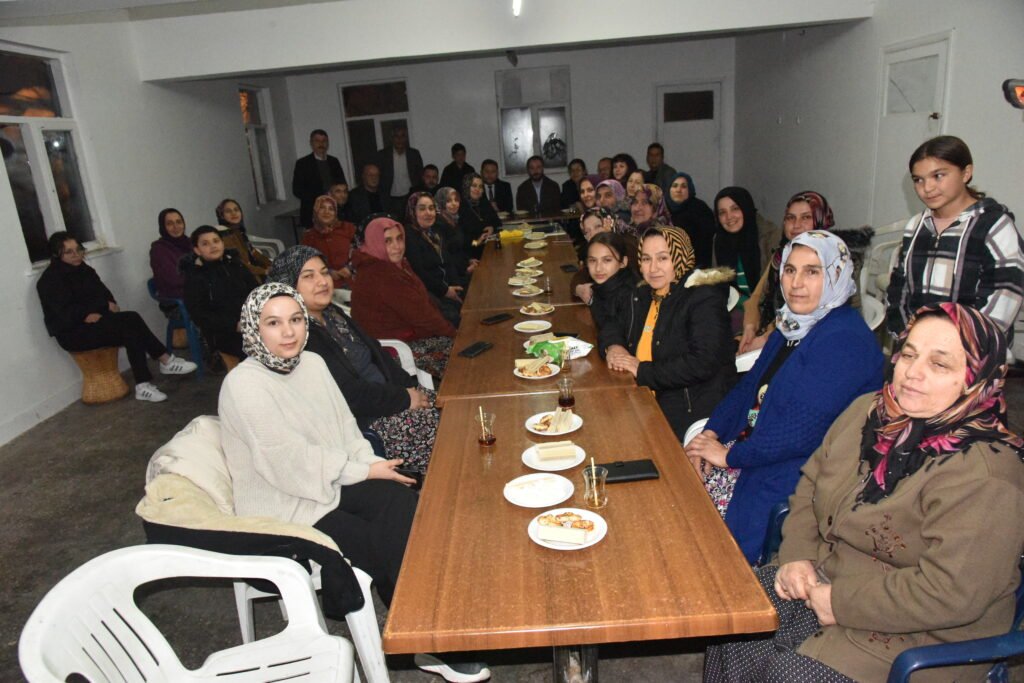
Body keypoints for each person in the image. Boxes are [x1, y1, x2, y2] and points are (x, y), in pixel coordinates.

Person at [704, 303, 1024, 683]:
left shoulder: (988, 475)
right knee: (737, 616)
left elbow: (950, 593)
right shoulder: (869, 413)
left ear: (976, 379)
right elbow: (810, 485)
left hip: (923, 633)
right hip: (827, 575)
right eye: (908, 354)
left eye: (940, 365)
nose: (913, 372)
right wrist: (797, 557)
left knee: (788, 673)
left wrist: (839, 602)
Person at [219, 282, 488, 683]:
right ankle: (424, 637)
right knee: (380, 538)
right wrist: (363, 471)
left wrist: (372, 463)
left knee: (404, 503)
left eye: (295, 319)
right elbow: (288, 463)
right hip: (285, 504)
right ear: (253, 328)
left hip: (328, 481)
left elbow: (346, 429)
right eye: (273, 323)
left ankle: (435, 617)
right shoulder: (244, 384)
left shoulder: (312, 363)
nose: (288, 332)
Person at [686, 231, 884, 563]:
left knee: (695, 537)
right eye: (790, 270)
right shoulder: (793, 325)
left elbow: (800, 431)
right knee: (678, 493)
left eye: (812, 271)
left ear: (836, 274)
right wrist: (711, 434)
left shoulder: (844, 340)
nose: (796, 283)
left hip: (797, 468)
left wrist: (728, 456)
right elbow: (748, 388)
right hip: (755, 447)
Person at [268, 245, 444, 467]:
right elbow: (348, 395)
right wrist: (404, 399)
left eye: (324, 272)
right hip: (364, 422)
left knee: (453, 408)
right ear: (289, 286)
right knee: (447, 434)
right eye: (309, 276)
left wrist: (410, 388)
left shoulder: (332, 314)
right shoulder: (298, 338)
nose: (322, 281)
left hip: (389, 397)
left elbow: (377, 354)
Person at [602, 226, 736, 440]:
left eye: (663, 258)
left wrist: (642, 370)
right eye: (646, 259)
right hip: (644, 398)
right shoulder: (643, 293)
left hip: (689, 411)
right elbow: (612, 321)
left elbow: (703, 362)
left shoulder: (704, 298)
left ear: (680, 257)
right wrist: (614, 346)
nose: (653, 268)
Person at [886, 135, 1024, 342]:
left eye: (938, 176)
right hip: (917, 346)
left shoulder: (994, 225)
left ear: (966, 173)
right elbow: (899, 288)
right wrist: (905, 335)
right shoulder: (916, 226)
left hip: (971, 351)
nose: (927, 188)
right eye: (918, 180)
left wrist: (961, 344)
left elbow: (1006, 294)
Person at [37, 232, 197, 402]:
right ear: (56, 255)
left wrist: (103, 306)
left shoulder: (85, 270)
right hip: (72, 332)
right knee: (130, 321)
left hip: (96, 321)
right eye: (69, 252)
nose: (76, 255)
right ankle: (164, 362)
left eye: (78, 249)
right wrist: (93, 310)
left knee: (131, 328)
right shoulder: (50, 280)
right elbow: (66, 312)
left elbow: (105, 295)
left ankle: (144, 384)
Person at [351, 217, 457, 377]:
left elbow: (422, 302)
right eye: (388, 241)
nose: (397, 246)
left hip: (405, 336)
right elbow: (422, 316)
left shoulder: (390, 264)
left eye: (399, 238)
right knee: (460, 353)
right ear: (375, 243)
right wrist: (454, 333)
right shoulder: (381, 274)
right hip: (393, 351)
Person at [740, 190, 835, 354]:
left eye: (806, 217)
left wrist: (766, 338)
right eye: (791, 218)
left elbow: (809, 314)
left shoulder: (833, 261)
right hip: (774, 332)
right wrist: (749, 328)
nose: (796, 225)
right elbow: (755, 297)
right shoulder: (781, 255)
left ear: (821, 220)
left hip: (812, 342)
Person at [182, 225, 258, 360]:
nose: (213, 246)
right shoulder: (195, 277)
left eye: (216, 241)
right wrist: (234, 325)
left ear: (222, 243)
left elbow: (256, 292)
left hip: (251, 322)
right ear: (197, 250)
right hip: (223, 332)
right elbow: (199, 314)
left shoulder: (236, 265)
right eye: (205, 244)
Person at [403, 192, 464, 328]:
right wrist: (446, 290)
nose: (429, 213)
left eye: (431, 208)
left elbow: (448, 262)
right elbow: (419, 273)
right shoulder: (409, 236)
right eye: (422, 209)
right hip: (432, 295)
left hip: (448, 288)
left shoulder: (434, 232)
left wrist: (457, 286)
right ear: (412, 211)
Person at [712, 186, 762, 311]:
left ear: (746, 208)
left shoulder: (767, 237)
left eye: (735, 209)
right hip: (733, 308)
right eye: (722, 212)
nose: (729, 217)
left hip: (765, 311)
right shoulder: (719, 241)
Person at [586, 231, 641, 339]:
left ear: (623, 262)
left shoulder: (629, 296)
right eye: (592, 261)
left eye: (607, 260)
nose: (598, 268)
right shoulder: (604, 286)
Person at [292, 129, 347, 228]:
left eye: (324, 141)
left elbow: (342, 184)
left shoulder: (334, 161)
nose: (321, 144)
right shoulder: (303, 163)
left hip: (335, 212)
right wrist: (320, 200)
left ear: (328, 143)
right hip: (312, 213)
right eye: (317, 141)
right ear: (311, 143)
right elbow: (297, 190)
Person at [300, 195, 356, 289]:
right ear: (316, 211)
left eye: (331, 209)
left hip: (353, 280)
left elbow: (361, 250)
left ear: (335, 213)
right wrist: (327, 272)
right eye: (322, 208)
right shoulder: (309, 236)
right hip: (325, 284)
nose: (327, 212)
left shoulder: (347, 228)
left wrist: (350, 268)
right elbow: (306, 262)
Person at [665, 171, 715, 269]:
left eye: (683, 186)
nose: (678, 190)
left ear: (690, 190)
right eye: (675, 186)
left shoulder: (700, 209)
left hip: (696, 266)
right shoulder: (662, 209)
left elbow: (706, 243)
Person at [214, 198, 272, 282]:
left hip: (251, 273)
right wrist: (264, 271)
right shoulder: (224, 234)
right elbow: (238, 264)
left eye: (236, 210)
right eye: (228, 211)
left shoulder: (238, 231)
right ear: (222, 216)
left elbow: (253, 253)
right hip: (240, 278)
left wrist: (272, 265)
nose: (233, 213)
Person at [376, 125, 424, 217]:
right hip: (390, 199)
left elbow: (420, 175)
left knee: (411, 221)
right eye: (396, 136)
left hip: (409, 197)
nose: (399, 139)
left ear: (406, 138)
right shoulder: (383, 155)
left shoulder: (414, 154)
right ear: (392, 138)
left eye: (402, 136)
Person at [150, 207, 191, 301]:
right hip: (175, 296)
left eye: (179, 222)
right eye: (169, 224)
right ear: (163, 227)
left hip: (194, 288)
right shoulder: (159, 249)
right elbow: (174, 279)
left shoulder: (189, 243)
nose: (176, 227)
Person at [459, 172, 501, 259]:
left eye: (480, 186)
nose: (477, 189)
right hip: (471, 254)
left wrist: (492, 227)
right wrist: (477, 242)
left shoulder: (483, 202)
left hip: (488, 248)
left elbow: (497, 221)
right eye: (474, 186)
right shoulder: (460, 207)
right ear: (467, 187)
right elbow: (463, 242)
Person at [433, 186, 473, 277]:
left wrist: (468, 260)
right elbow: (446, 256)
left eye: (456, 200)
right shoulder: (438, 224)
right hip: (454, 276)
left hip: (463, 268)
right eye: (448, 201)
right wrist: (465, 270)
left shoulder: (454, 220)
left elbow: (458, 249)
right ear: (441, 203)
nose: (454, 204)